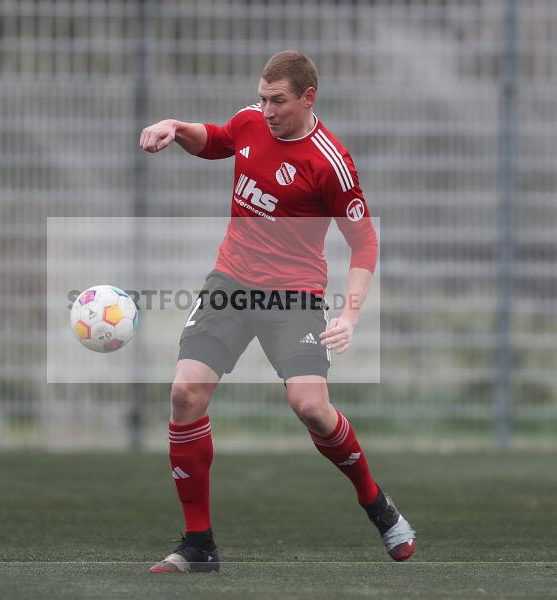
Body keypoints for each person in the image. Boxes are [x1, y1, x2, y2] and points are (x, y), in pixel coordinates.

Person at [139, 50, 415, 573]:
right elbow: (216, 139)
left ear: (309, 97)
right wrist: (176, 127)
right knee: (183, 394)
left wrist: (350, 316)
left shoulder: (330, 161)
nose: (266, 110)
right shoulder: (250, 123)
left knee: (310, 407)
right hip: (230, 282)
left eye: (278, 101)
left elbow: (364, 243)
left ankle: (375, 501)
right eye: (263, 97)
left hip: (295, 296)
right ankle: (198, 544)